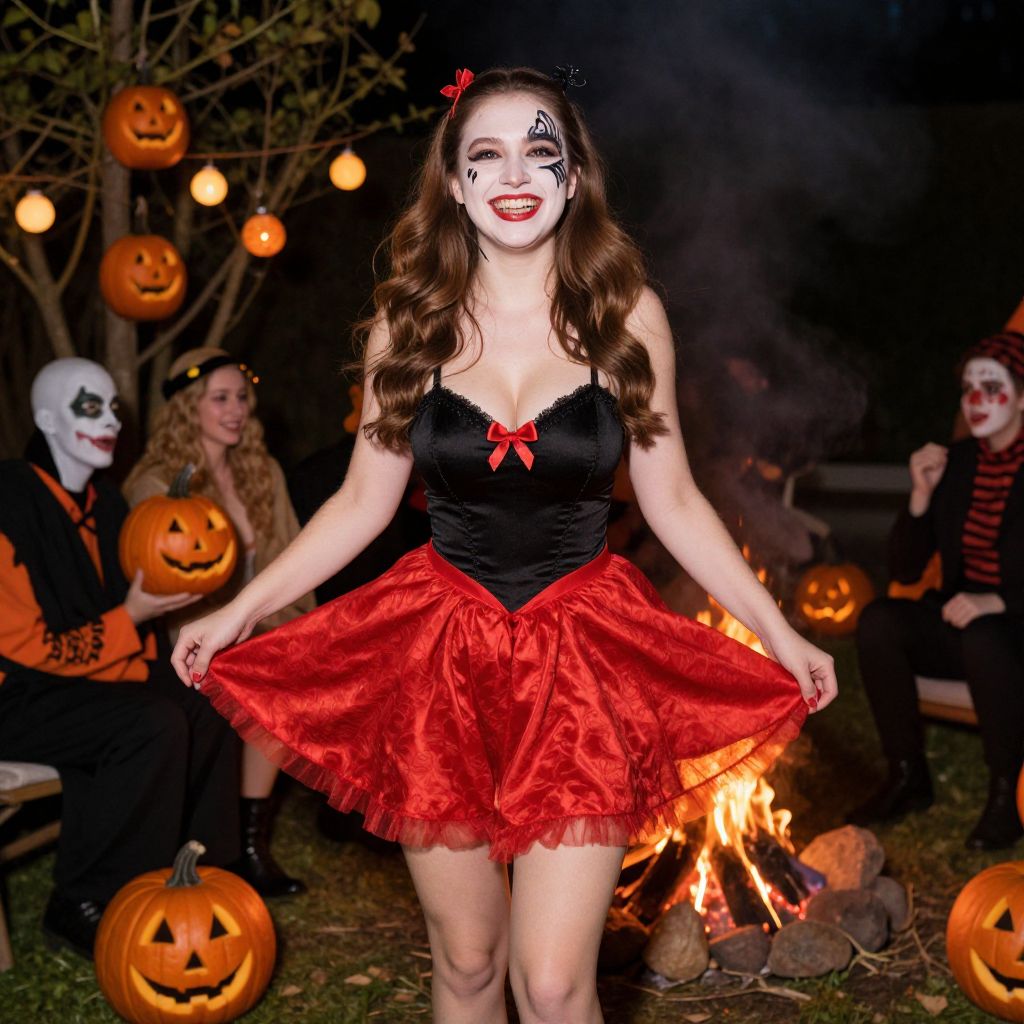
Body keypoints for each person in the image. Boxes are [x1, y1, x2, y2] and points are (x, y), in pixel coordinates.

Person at [171, 68, 836, 1023]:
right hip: (441, 661)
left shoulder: (626, 317)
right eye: (486, 154)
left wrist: (778, 630)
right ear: (454, 182)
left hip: (581, 661)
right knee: (469, 961)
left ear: (574, 177)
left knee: (555, 984)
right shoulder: (408, 324)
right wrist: (237, 610)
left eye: (540, 150)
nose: (515, 174)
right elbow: (360, 503)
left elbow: (677, 499)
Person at [0, 358, 240, 958]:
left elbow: (125, 632)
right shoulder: (9, 501)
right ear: (46, 419)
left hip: (78, 683)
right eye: (90, 407)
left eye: (112, 408)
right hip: (14, 694)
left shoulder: (107, 505)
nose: (110, 421)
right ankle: (88, 896)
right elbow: (24, 647)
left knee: (209, 692)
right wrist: (132, 616)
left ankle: (200, 870)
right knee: (148, 723)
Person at [123, 347, 314, 897]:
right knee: (262, 676)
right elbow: (167, 584)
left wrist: (297, 630)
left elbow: (291, 559)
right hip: (191, 633)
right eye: (220, 398)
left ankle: (251, 840)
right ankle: (232, 843)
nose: (236, 410)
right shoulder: (155, 483)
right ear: (188, 406)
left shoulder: (262, 471)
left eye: (242, 398)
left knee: (292, 666)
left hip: (261, 623)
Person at [852, 329, 1024, 851]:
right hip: (963, 622)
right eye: (968, 388)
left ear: (1022, 398)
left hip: (1014, 629)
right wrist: (922, 496)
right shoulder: (959, 463)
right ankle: (907, 775)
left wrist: (1001, 602)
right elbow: (905, 569)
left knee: (985, 635)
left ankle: (1008, 794)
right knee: (880, 620)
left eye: (990, 387)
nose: (975, 400)